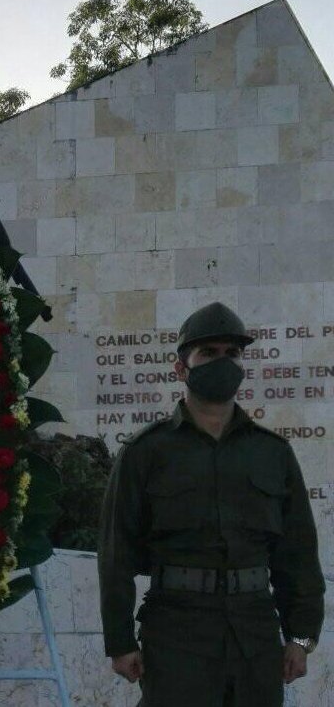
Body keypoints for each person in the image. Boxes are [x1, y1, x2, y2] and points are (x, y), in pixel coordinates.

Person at [98, 301, 325, 705]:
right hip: (176, 632)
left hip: (254, 630)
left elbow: (298, 554)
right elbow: (116, 552)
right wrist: (120, 641)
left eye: (231, 353)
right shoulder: (146, 451)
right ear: (181, 368)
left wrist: (301, 637)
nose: (223, 361)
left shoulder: (272, 452)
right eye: (208, 353)